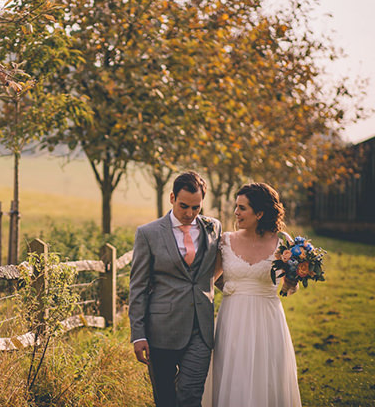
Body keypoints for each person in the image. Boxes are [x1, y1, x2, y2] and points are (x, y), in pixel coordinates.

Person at [202, 182, 301, 407]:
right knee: (234, 374)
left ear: (260, 212)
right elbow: (210, 279)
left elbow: (289, 287)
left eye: (242, 208)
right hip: (232, 319)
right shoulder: (225, 241)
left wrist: (291, 282)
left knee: (264, 376)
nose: (236, 212)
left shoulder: (282, 241)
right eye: (236, 206)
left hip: (268, 320)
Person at [129, 171, 222, 407]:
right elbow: (137, 287)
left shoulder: (214, 228)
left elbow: (222, 269)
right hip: (161, 330)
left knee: (190, 396)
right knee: (166, 399)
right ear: (171, 198)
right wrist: (138, 334)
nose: (190, 214)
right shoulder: (148, 233)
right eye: (184, 206)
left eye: (196, 208)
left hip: (201, 329)